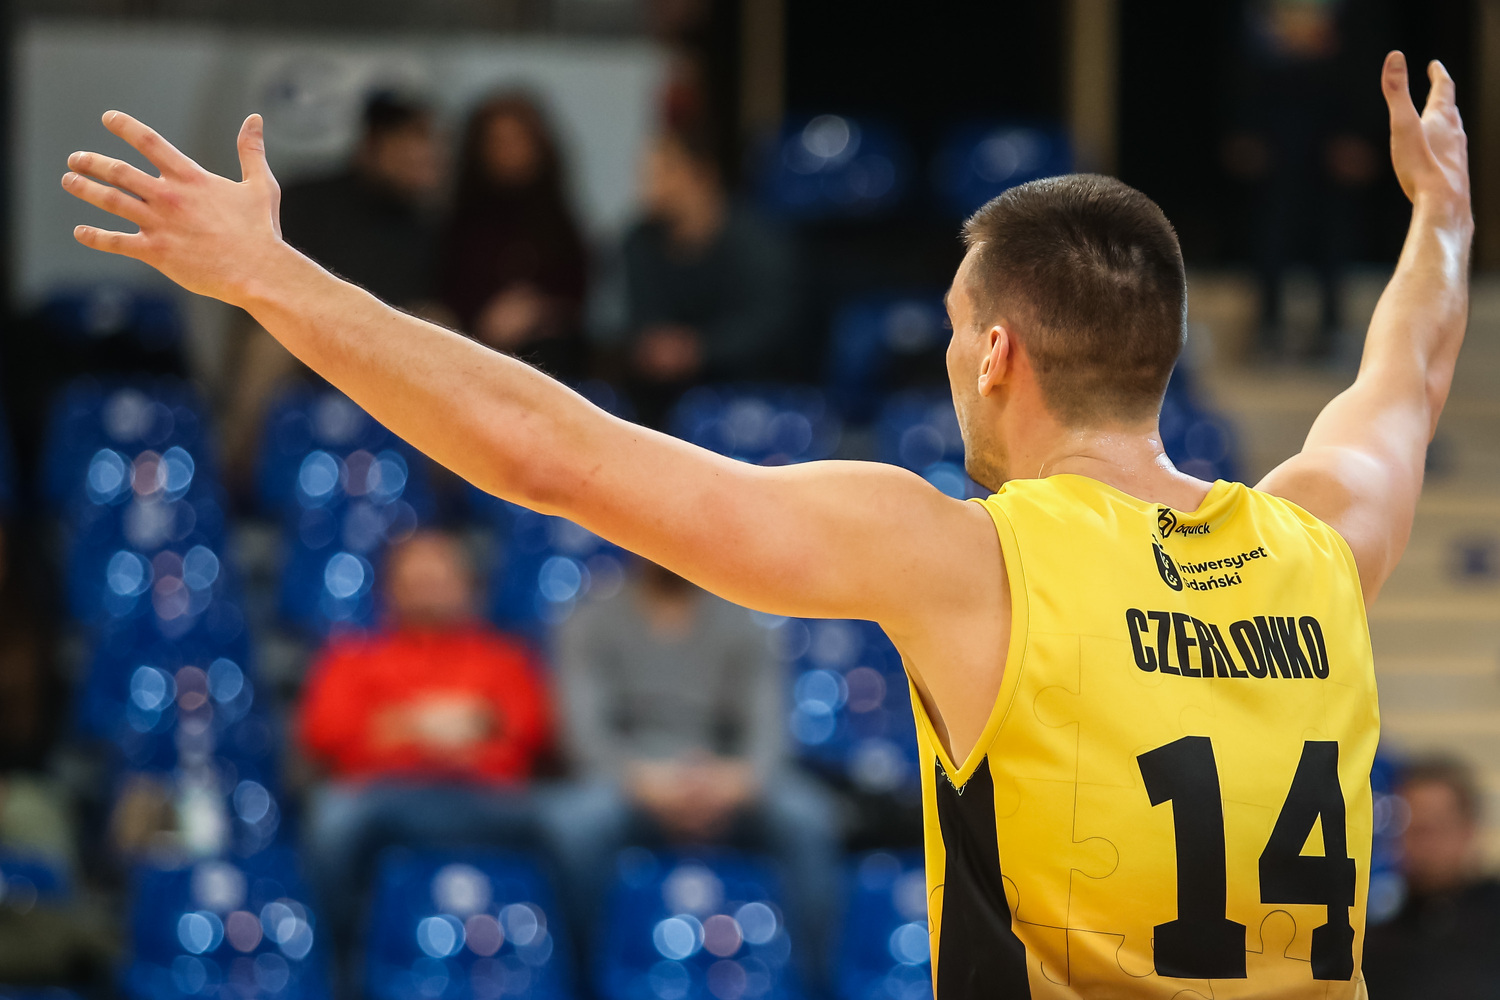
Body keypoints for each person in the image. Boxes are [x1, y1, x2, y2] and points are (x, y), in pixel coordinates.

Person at [63, 49, 1470, 997]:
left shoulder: (971, 557)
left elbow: (552, 459)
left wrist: (272, 279)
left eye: (955, 329)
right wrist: (1441, 220)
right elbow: (1400, 386)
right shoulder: (1320, 545)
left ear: (996, 356)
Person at [550, 559, 838, 973]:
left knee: (809, 818)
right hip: (630, 783)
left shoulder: (744, 622)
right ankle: (583, 980)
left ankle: (816, 981)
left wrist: (731, 782)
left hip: (723, 778)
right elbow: (586, 741)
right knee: (574, 826)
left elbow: (768, 739)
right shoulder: (591, 620)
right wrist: (647, 782)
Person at [294, 530, 553, 984]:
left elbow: (529, 733)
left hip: (488, 799)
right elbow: (326, 735)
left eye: (439, 579)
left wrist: (396, 725)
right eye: (415, 580)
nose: (428, 590)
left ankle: (580, 971)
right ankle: (336, 972)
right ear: (389, 588)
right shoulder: (352, 656)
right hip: (384, 798)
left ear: (469, 586)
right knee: (332, 818)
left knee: (575, 826)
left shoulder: (506, 656)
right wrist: (453, 724)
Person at [221, 90, 445, 496]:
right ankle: (235, 480)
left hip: (386, 344)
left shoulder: (426, 223)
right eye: (410, 143)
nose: (423, 156)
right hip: (309, 335)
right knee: (266, 344)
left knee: (442, 328)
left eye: (428, 146)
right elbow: (269, 278)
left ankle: (445, 489)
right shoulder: (309, 200)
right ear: (373, 144)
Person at [615, 125, 798, 426]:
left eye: (665, 171)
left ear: (704, 173)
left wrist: (699, 349)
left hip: (751, 390)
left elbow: (772, 324)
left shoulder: (758, 242)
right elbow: (642, 321)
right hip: (664, 394)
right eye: (646, 173)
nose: (651, 184)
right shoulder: (637, 241)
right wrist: (658, 347)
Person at [439, 93, 590, 381]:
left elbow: (577, 294)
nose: (508, 152)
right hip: (471, 354)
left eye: (517, 139)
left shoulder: (558, 219)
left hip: (550, 362)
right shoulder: (458, 221)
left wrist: (536, 310)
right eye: (497, 141)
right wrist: (483, 321)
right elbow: (445, 291)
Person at [1362, 756, 1500, 997]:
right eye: (1412, 828)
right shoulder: (1373, 940)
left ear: (1468, 829)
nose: (1423, 843)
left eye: (1435, 827)